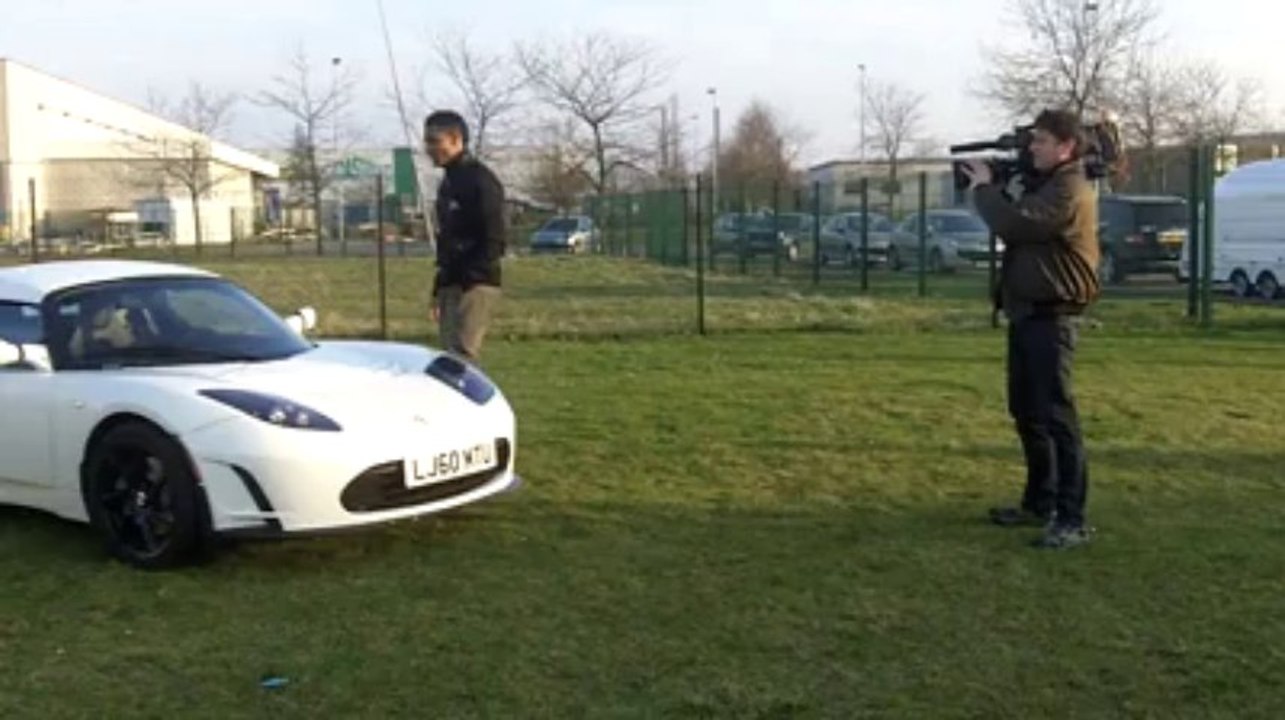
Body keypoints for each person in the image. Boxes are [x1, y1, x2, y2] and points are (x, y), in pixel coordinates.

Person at [961, 108, 1101, 550]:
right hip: (1028, 314)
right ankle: (1040, 501)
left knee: (1057, 416)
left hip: (1053, 315)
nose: (1032, 148)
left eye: (1040, 141)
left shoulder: (1069, 188)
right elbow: (1020, 219)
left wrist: (984, 188)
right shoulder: (1046, 184)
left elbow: (1017, 224)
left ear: (1066, 147)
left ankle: (1072, 517)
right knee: (1028, 412)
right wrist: (1004, 182)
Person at [423, 110, 506, 362]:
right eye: (427, 142)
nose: (429, 149)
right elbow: (447, 238)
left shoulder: (480, 180)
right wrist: (440, 286)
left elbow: (495, 238)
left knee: (462, 358)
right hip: (452, 282)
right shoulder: (448, 182)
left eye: (434, 142)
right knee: (449, 357)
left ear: (456, 139)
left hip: (475, 284)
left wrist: (470, 277)